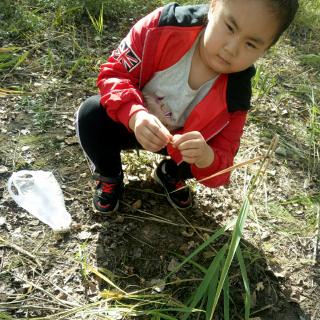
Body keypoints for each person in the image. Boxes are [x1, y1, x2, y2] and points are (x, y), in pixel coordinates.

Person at [76, 0, 299, 213]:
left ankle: (170, 173)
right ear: (213, 6)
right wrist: (135, 115)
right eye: (230, 27)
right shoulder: (162, 26)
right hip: (132, 123)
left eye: (250, 44)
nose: (231, 48)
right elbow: (114, 73)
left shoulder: (236, 96)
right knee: (91, 114)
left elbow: (223, 164)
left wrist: (206, 157)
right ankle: (109, 175)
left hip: (178, 147)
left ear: (265, 50)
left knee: (205, 156)